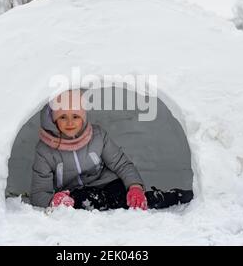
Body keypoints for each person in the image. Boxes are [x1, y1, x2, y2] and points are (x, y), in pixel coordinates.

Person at [30, 89, 193, 210]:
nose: (70, 122)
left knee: (131, 201)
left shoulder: (97, 136)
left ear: (83, 117)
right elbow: (39, 193)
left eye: (75, 116)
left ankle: (172, 196)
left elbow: (121, 164)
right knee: (82, 201)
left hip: (108, 184)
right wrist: (53, 201)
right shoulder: (45, 151)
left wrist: (135, 187)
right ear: (53, 120)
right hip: (76, 194)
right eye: (63, 117)